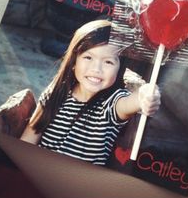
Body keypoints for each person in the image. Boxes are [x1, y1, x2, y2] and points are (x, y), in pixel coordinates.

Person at [21, 19, 161, 165]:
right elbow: (27, 141)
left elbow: (130, 103)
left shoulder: (111, 104)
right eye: (88, 57)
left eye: (108, 62)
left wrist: (146, 94)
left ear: (119, 68)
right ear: (74, 61)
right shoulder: (55, 94)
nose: (97, 69)